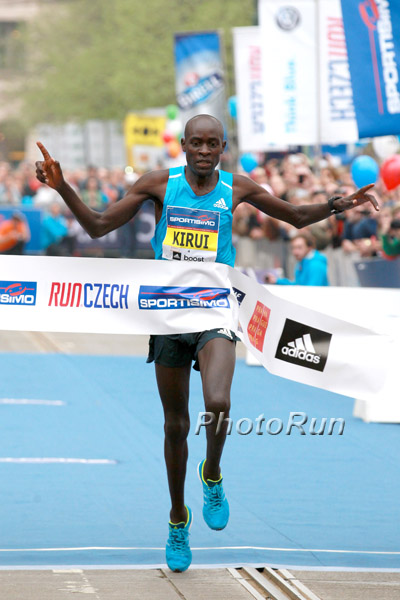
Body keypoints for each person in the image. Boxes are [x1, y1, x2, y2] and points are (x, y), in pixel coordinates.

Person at [35, 114, 378, 573]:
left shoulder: (236, 188)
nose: (203, 151)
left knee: (218, 400)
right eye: (195, 143)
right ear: (182, 145)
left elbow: (294, 217)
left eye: (211, 144)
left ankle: (212, 473)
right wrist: (63, 189)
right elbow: (98, 226)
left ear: (222, 149)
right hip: (167, 315)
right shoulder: (160, 184)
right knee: (175, 426)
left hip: (216, 311)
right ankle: (178, 517)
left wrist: (339, 203)